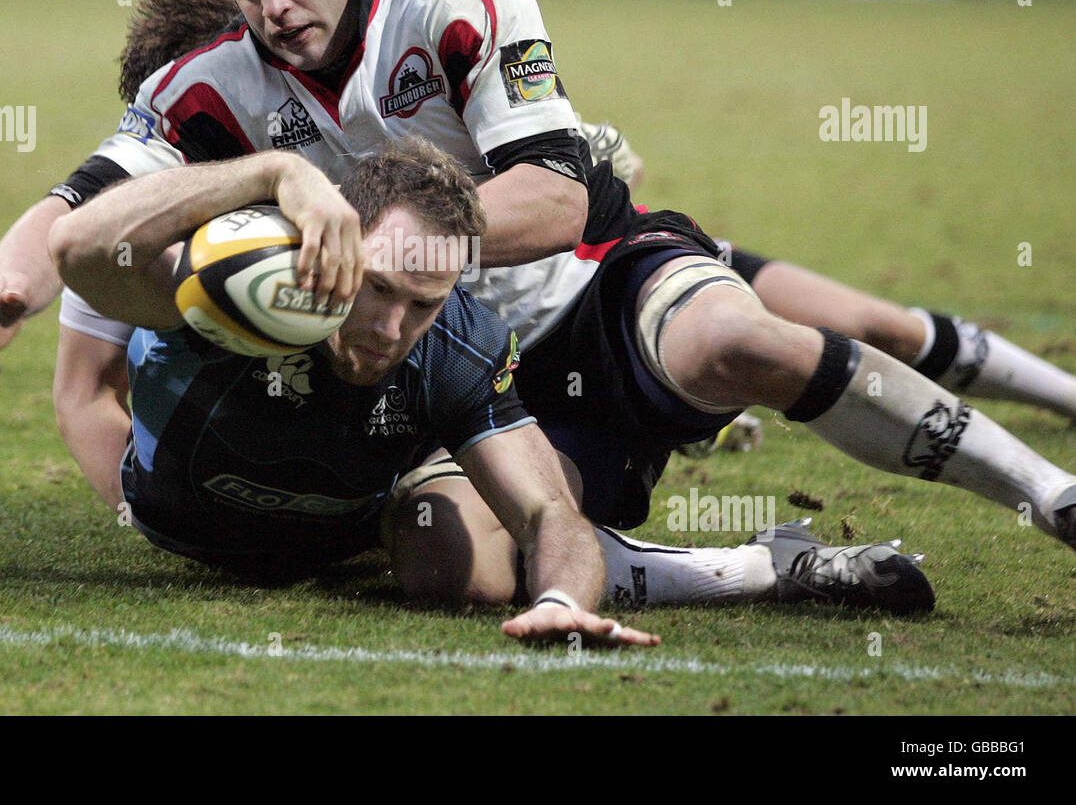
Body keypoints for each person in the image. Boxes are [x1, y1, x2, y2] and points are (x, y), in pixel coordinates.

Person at [0, 0, 1074, 611]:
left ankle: (1047, 488)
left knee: (745, 340)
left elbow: (553, 200)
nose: (272, 8)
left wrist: (382, 262)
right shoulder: (209, 89)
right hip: (444, 362)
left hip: (582, 288)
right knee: (452, 567)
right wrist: (9, 279)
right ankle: (764, 568)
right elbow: (75, 212)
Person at [50, 137, 934, 623]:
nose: (393, 329)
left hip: (343, 523)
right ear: (340, 243)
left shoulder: (459, 343)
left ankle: (759, 568)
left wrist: (559, 599)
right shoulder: (250, 291)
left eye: (425, 303)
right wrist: (279, 171)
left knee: (458, 570)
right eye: (380, 289)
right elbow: (78, 248)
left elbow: (550, 512)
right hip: (186, 526)